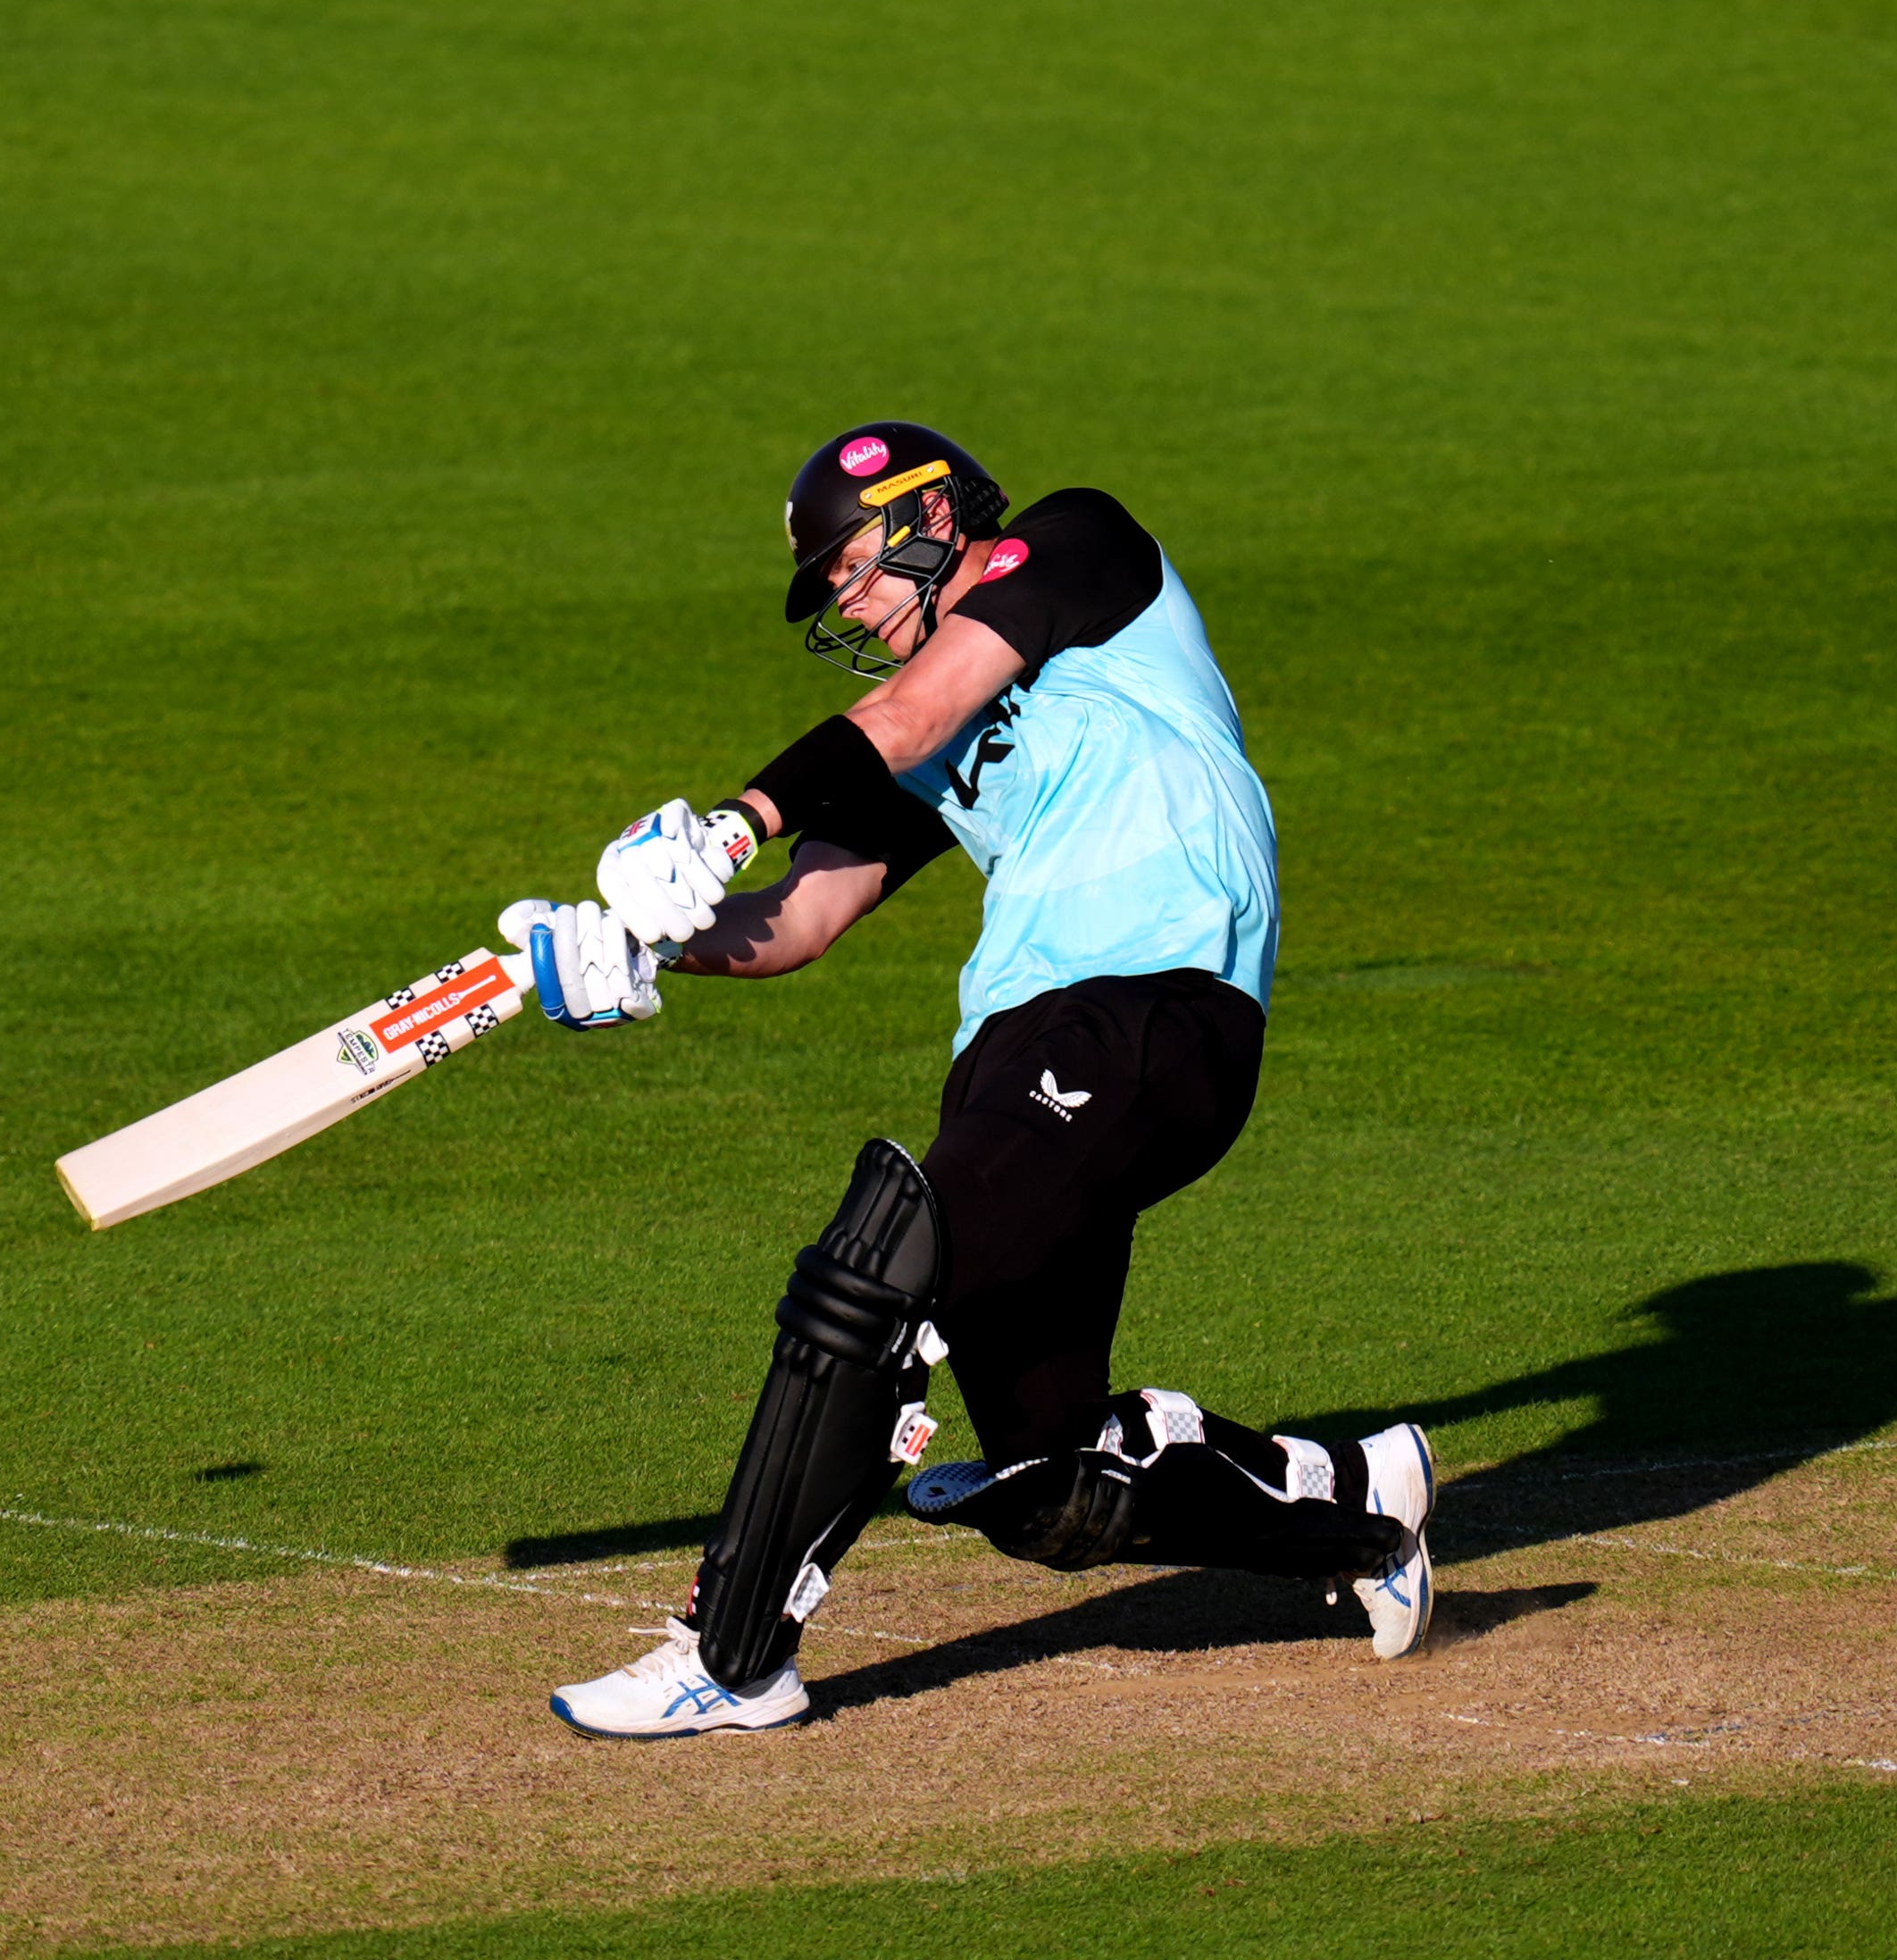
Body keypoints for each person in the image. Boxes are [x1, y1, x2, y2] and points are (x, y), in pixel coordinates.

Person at [506, 423, 1435, 1739]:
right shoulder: (929, 751)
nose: (848, 602)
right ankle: (1358, 1507)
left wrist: (728, 820)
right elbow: (802, 919)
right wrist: (646, 948)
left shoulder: (1083, 547)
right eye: (828, 589)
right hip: (1017, 1054)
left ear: (932, 514)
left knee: (879, 1262)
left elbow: (907, 711)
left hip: (1156, 1007)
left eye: (853, 566)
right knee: (1051, 1481)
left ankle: (735, 1649)